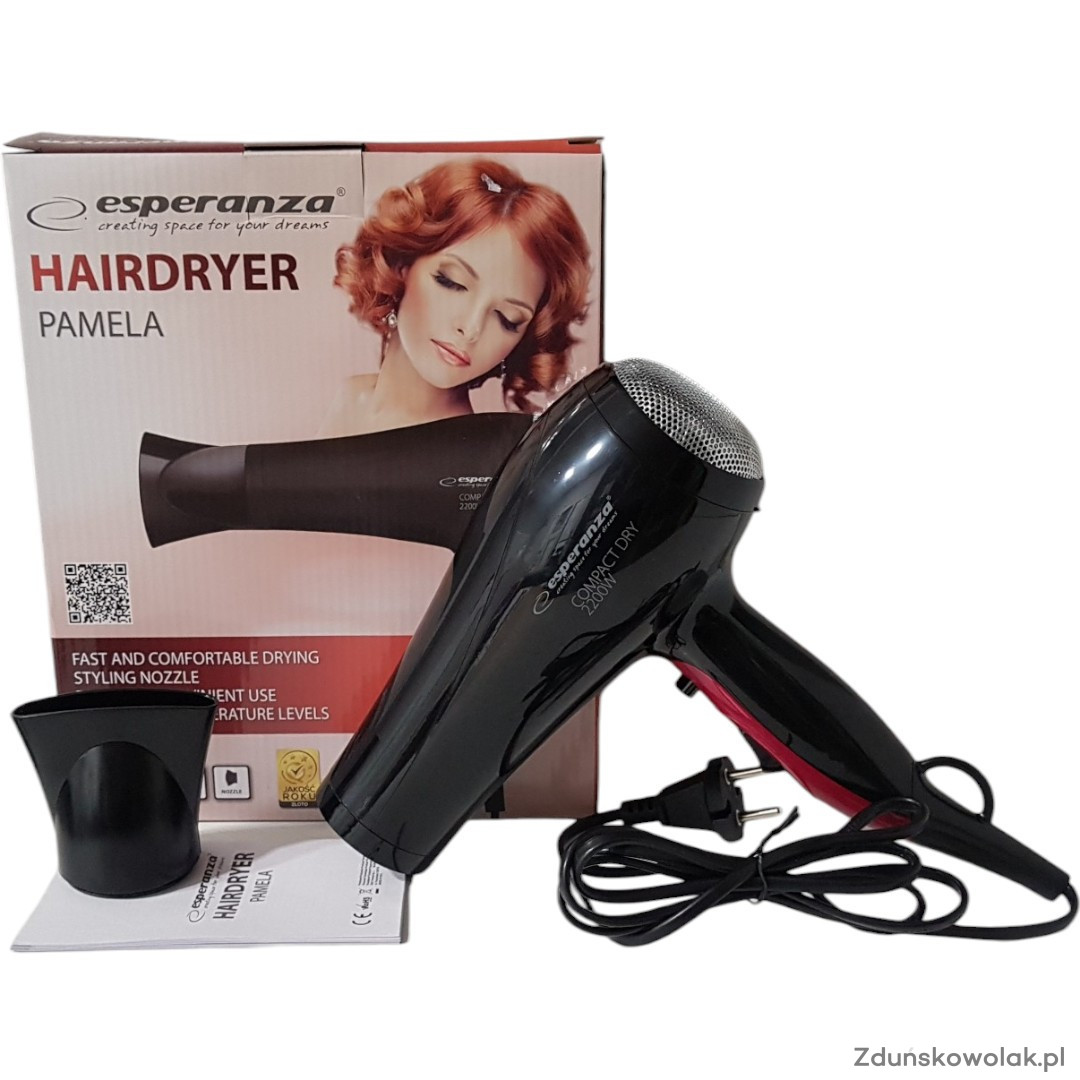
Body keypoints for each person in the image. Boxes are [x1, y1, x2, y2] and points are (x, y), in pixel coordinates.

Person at [323, 158, 591, 435]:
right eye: (452, 282)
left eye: (507, 319)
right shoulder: (351, 397)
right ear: (402, 264)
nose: (471, 329)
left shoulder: (470, 450)